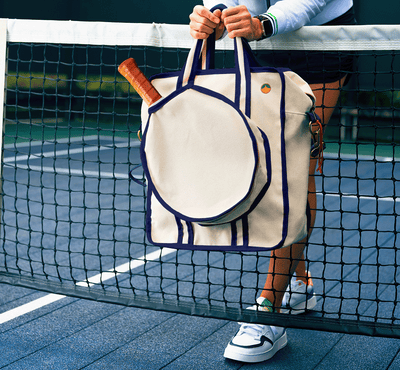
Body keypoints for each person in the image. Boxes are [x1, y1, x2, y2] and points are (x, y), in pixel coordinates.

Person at [189, 0, 356, 363]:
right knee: (269, 159)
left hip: (320, 39)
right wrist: (216, 16)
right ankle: (299, 283)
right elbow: (235, 5)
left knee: (295, 162)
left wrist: (263, 22)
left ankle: (270, 309)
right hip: (261, 40)